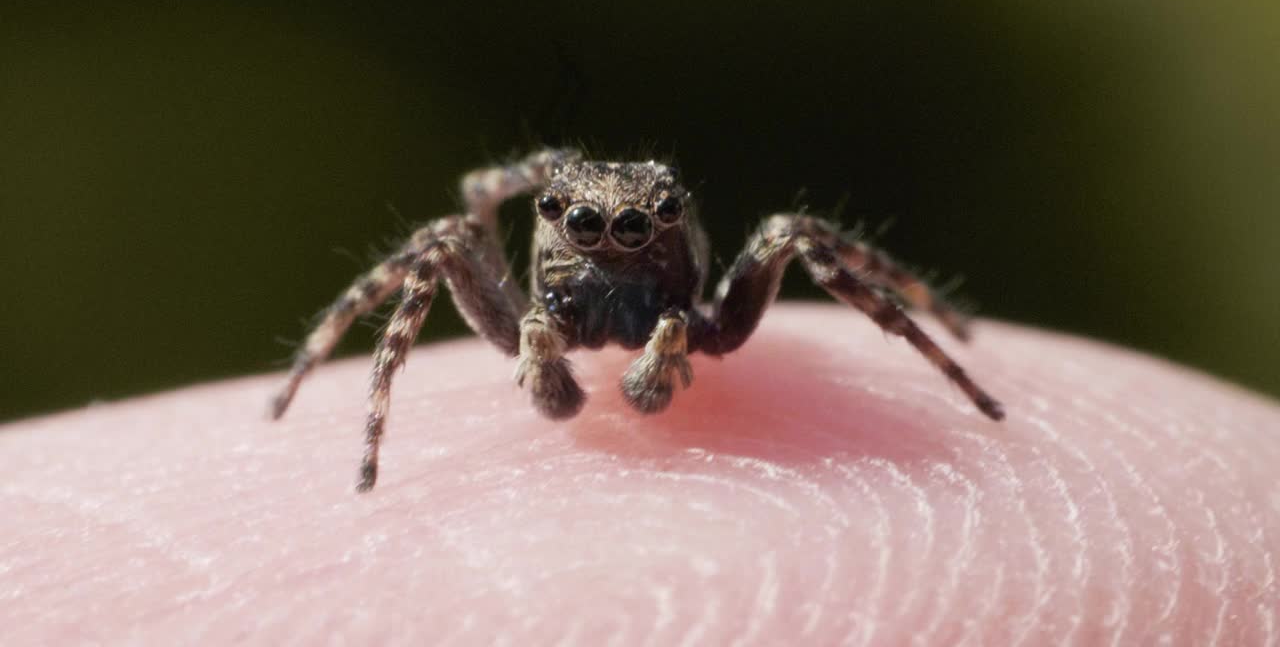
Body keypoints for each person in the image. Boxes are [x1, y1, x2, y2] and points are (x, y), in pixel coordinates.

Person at [3, 305, 1277, 644]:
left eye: (634, 232)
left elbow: (799, 256)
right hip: (559, 336)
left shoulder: (684, 298)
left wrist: (945, 354)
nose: (608, 250)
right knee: (436, 245)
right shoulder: (528, 286)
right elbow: (436, 261)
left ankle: (940, 341)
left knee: (797, 234)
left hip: (692, 336)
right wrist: (352, 413)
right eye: (581, 234)